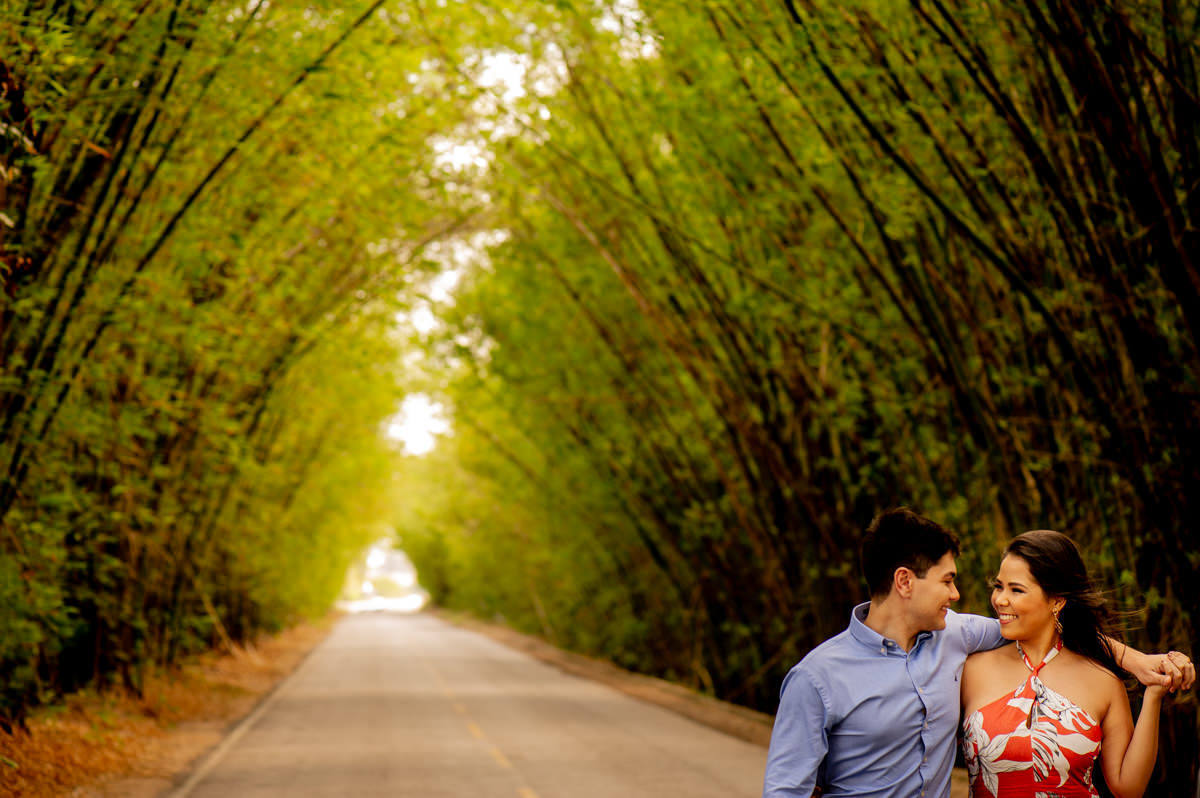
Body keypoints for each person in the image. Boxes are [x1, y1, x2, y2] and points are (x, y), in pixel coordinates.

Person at [762, 509, 1194, 798]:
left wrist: (1137, 663)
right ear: (905, 582)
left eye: (1014, 589)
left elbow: (1046, 630)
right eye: (948, 581)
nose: (960, 594)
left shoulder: (956, 636)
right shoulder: (817, 678)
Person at [960, 530, 1185, 797]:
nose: (1000, 600)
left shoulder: (1102, 680)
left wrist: (1154, 695)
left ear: (1057, 601)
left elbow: (1129, 787)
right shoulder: (971, 670)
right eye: (998, 586)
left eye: (1016, 589)